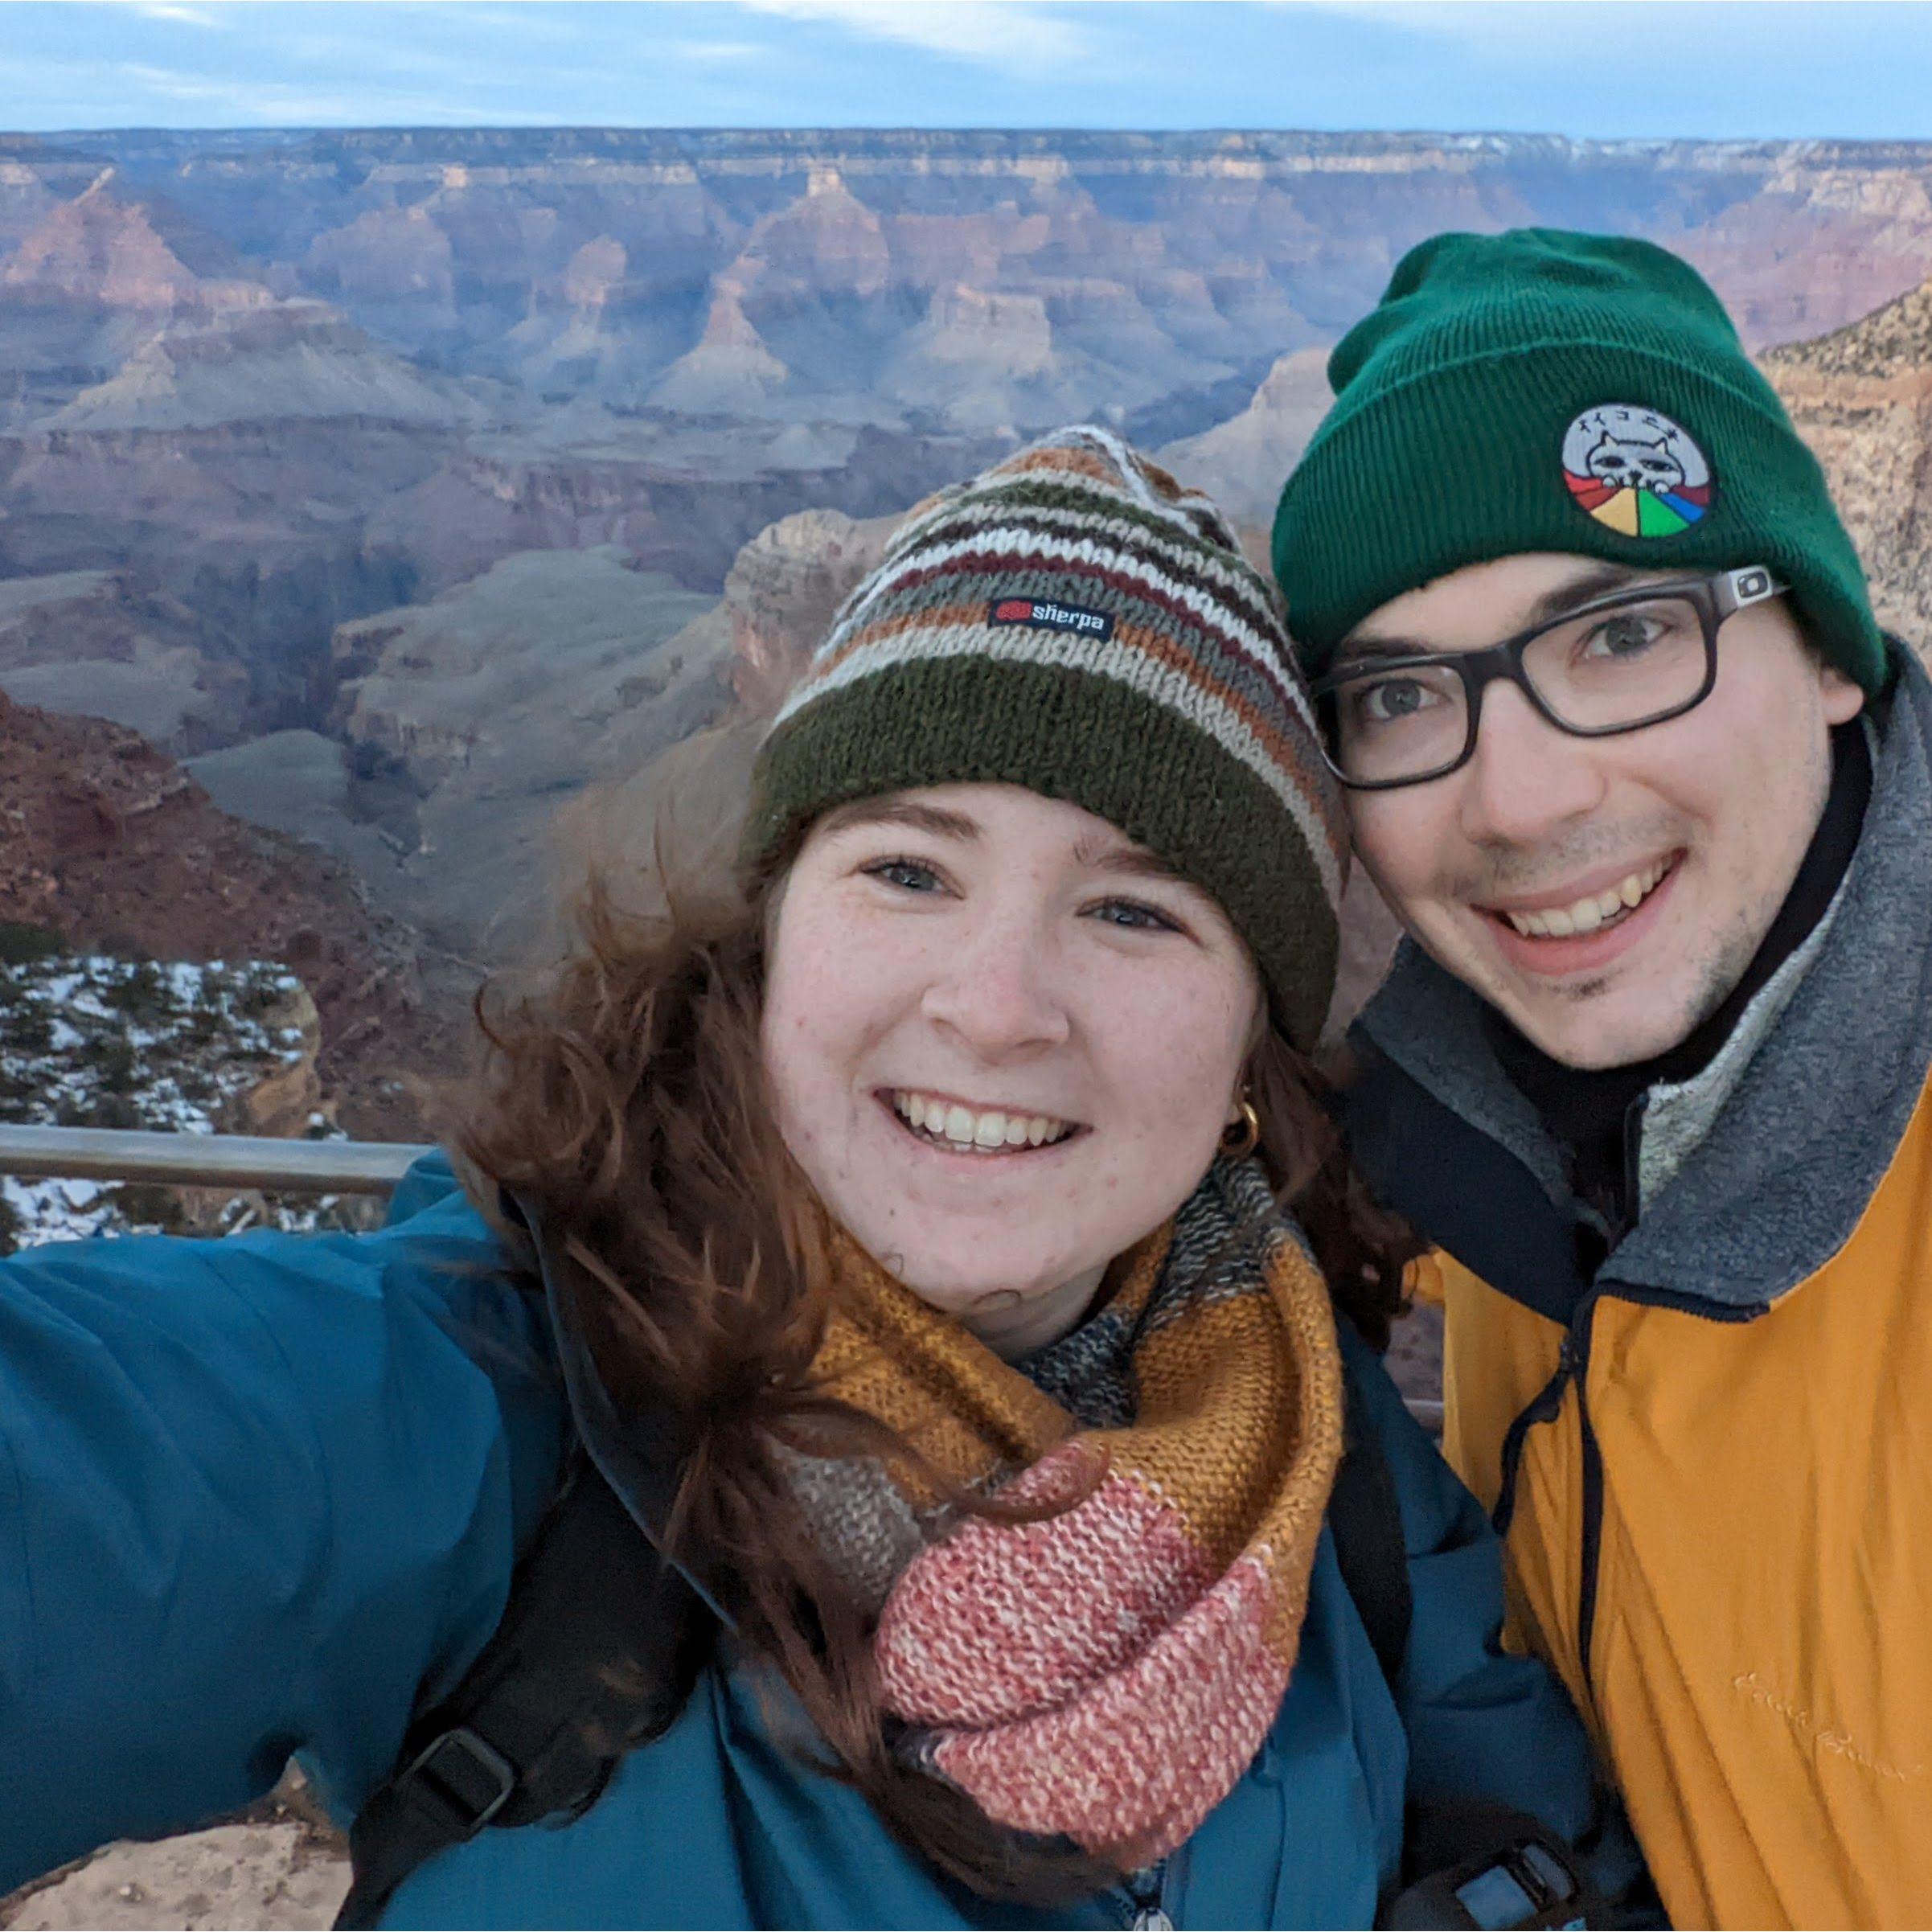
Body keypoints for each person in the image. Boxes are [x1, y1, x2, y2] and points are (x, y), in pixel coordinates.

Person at [0, 428, 1621, 1930]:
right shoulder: (482, 1406)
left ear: (1248, 1061)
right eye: (907, 868)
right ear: (769, 943)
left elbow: (1531, 1856)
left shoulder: (1322, 1461)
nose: (993, 1004)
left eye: (1137, 910)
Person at [1272, 228, 1932, 1930]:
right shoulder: (1473, 1123)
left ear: (1831, 646)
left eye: (1621, 636)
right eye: (1401, 691)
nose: (1518, 798)